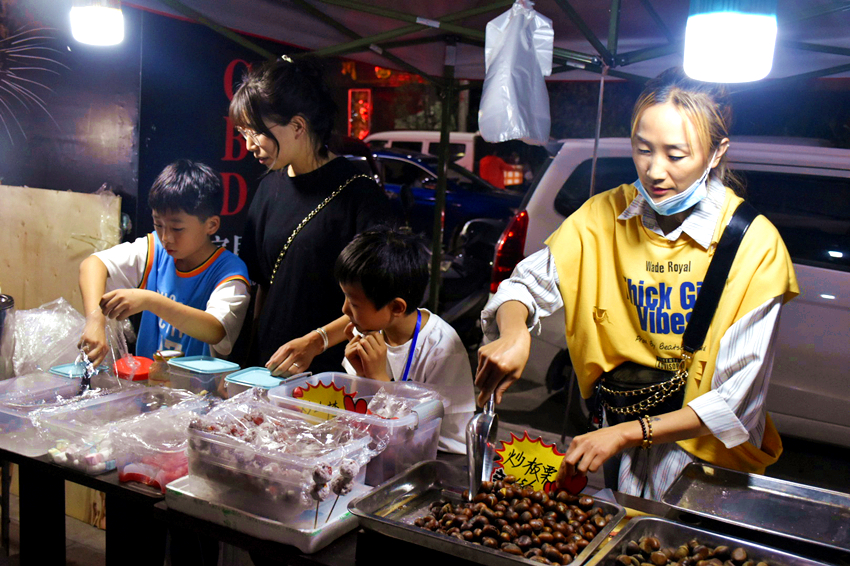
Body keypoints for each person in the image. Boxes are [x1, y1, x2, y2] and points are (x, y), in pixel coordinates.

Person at [475, 67, 799, 500]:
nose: (654, 171)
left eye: (676, 155)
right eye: (643, 149)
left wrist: (629, 433)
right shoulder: (603, 215)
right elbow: (522, 287)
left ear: (717, 152)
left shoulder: (754, 245)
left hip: (704, 463)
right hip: (617, 433)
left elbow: (734, 399)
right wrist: (514, 334)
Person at [229, 56, 394, 375]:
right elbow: (261, 288)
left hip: (329, 371)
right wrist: (245, 362)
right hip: (268, 367)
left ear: (297, 126)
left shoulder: (360, 195)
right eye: (243, 133)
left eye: (256, 132)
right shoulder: (269, 186)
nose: (248, 145)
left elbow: (378, 303)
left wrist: (316, 340)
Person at [78, 160, 251, 366]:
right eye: (158, 224)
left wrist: (150, 300)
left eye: (177, 229)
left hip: (200, 393)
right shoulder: (155, 249)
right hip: (149, 387)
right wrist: (95, 320)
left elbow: (215, 330)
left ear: (211, 225)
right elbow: (93, 264)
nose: (166, 237)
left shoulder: (229, 271)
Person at [334, 228, 475, 454]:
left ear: (397, 307)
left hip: (438, 455)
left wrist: (379, 380)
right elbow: (359, 412)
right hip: (385, 447)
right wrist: (361, 377)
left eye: (354, 303)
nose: (344, 309)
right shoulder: (370, 330)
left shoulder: (442, 347)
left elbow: (423, 420)